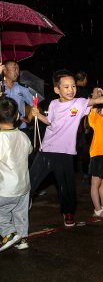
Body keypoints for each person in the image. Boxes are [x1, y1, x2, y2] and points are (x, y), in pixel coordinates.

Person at [29, 69, 103, 227]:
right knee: (31, 181)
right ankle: (20, 206)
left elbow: (95, 101)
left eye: (73, 86)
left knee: (66, 187)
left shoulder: (79, 103)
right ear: (57, 90)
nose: (71, 90)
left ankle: (68, 213)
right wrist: (38, 115)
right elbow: (51, 122)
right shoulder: (54, 104)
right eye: (66, 87)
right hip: (46, 150)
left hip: (65, 153)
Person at [0, 97, 32, 252]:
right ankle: (22, 238)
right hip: (24, 186)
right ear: (18, 117)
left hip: (5, 188)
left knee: (2, 213)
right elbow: (30, 150)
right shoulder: (23, 136)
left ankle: (8, 233)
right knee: (20, 213)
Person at [1, 60, 33, 135]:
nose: (17, 72)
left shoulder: (22, 88)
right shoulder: (0, 87)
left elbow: (33, 103)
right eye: (14, 68)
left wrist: (29, 118)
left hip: (21, 128)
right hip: (3, 129)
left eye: (18, 69)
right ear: (5, 71)